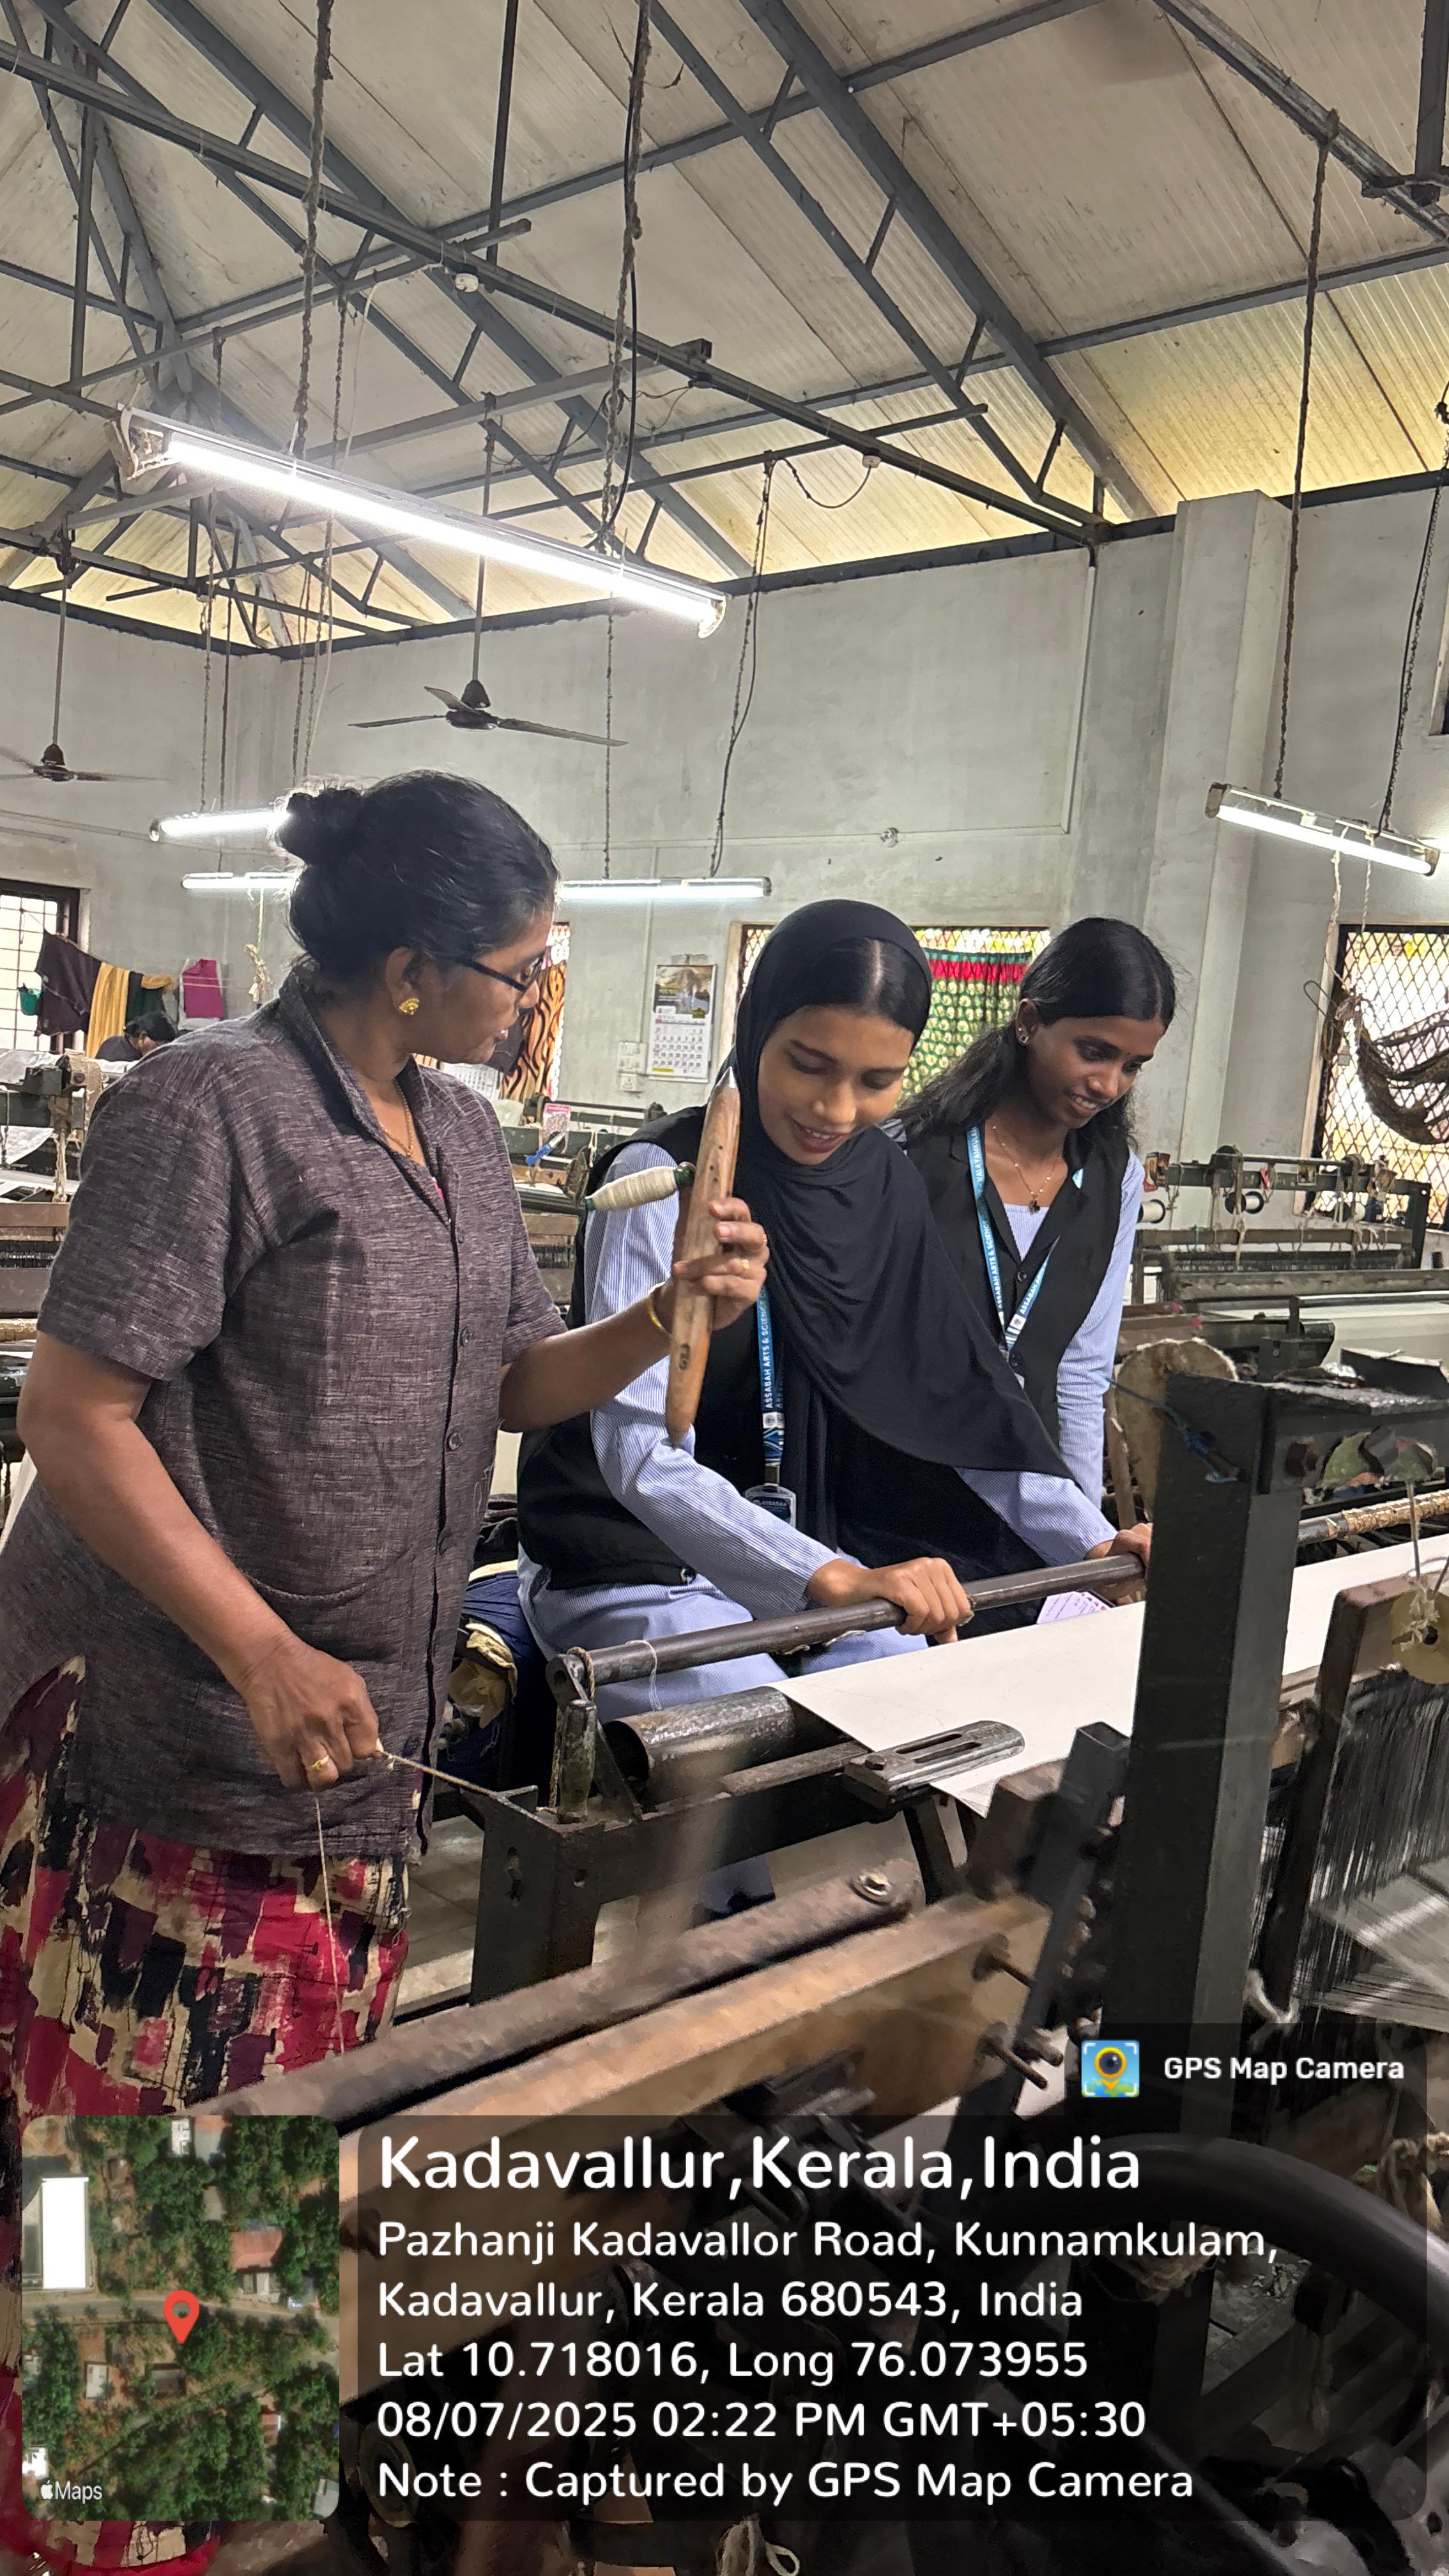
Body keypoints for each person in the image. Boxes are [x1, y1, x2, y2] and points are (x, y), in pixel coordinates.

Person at [0, 769, 767, 2120]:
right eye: (520, 972)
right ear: (411, 972)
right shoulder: (211, 1107)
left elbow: (516, 1382)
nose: (531, 1001)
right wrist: (262, 1652)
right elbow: (72, 1416)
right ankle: (103, 2275)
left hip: (354, 1732)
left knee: (279, 2128)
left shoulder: (458, 1129)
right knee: (144, 2135)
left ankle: (202, 2271)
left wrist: (666, 1313)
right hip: (186, 1728)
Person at [518, 901, 1148, 1751]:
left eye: (876, 1081)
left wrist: (1095, 1544)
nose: (836, 1109)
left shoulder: (881, 1183)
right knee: (746, 1734)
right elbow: (637, 1454)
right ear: (756, 1029)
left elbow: (957, 1403)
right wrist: (827, 1576)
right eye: (809, 1066)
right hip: (634, 1562)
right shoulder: (666, 1177)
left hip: (808, 1552)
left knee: (915, 1706)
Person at [898, 916, 1174, 1535]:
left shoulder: (1114, 1179)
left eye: (1133, 1065)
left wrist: (1083, 1542)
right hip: (899, 1506)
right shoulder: (910, 1156)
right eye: (1094, 1052)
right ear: (1029, 1022)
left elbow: (1080, 1373)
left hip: (1033, 1511)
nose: (1109, 1085)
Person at [93, 1006, 177, 1064]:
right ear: (142, 1037)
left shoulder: (115, 1042)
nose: (160, 1052)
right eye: (158, 1046)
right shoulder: (119, 1055)